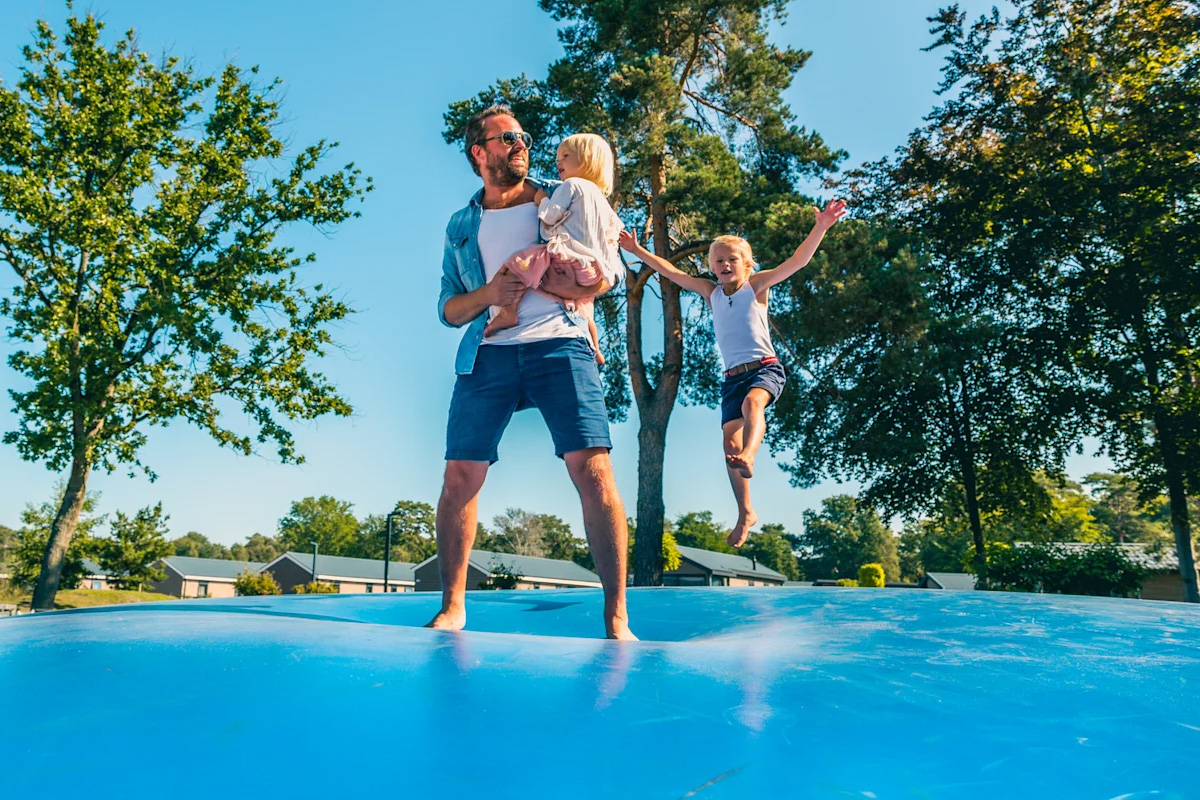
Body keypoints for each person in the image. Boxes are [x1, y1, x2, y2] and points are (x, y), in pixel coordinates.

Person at [429, 105, 635, 640]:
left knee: (593, 470)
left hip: (561, 343)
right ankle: (453, 608)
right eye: (507, 138)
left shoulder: (565, 194)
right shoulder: (461, 225)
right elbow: (449, 310)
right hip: (488, 352)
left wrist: (586, 284)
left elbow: (610, 269)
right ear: (479, 152)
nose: (521, 143)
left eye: (523, 135)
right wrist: (489, 294)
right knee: (460, 476)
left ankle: (617, 618)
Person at [618, 199, 847, 547]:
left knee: (752, 406)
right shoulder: (710, 292)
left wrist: (821, 227)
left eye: (732, 259)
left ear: (747, 264)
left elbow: (797, 261)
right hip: (731, 378)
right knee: (728, 443)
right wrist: (637, 251)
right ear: (711, 267)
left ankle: (751, 455)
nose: (725, 265)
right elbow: (672, 273)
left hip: (765, 368)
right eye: (719, 261)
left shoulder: (757, 287)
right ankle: (745, 512)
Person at [483, 133, 622, 366]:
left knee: (517, 263)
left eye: (565, 156)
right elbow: (613, 234)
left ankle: (508, 312)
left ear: (586, 161)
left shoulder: (571, 185)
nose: (558, 162)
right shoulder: (601, 199)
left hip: (567, 259)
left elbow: (550, 215)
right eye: (558, 157)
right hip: (593, 270)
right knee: (584, 304)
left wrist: (542, 200)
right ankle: (596, 349)